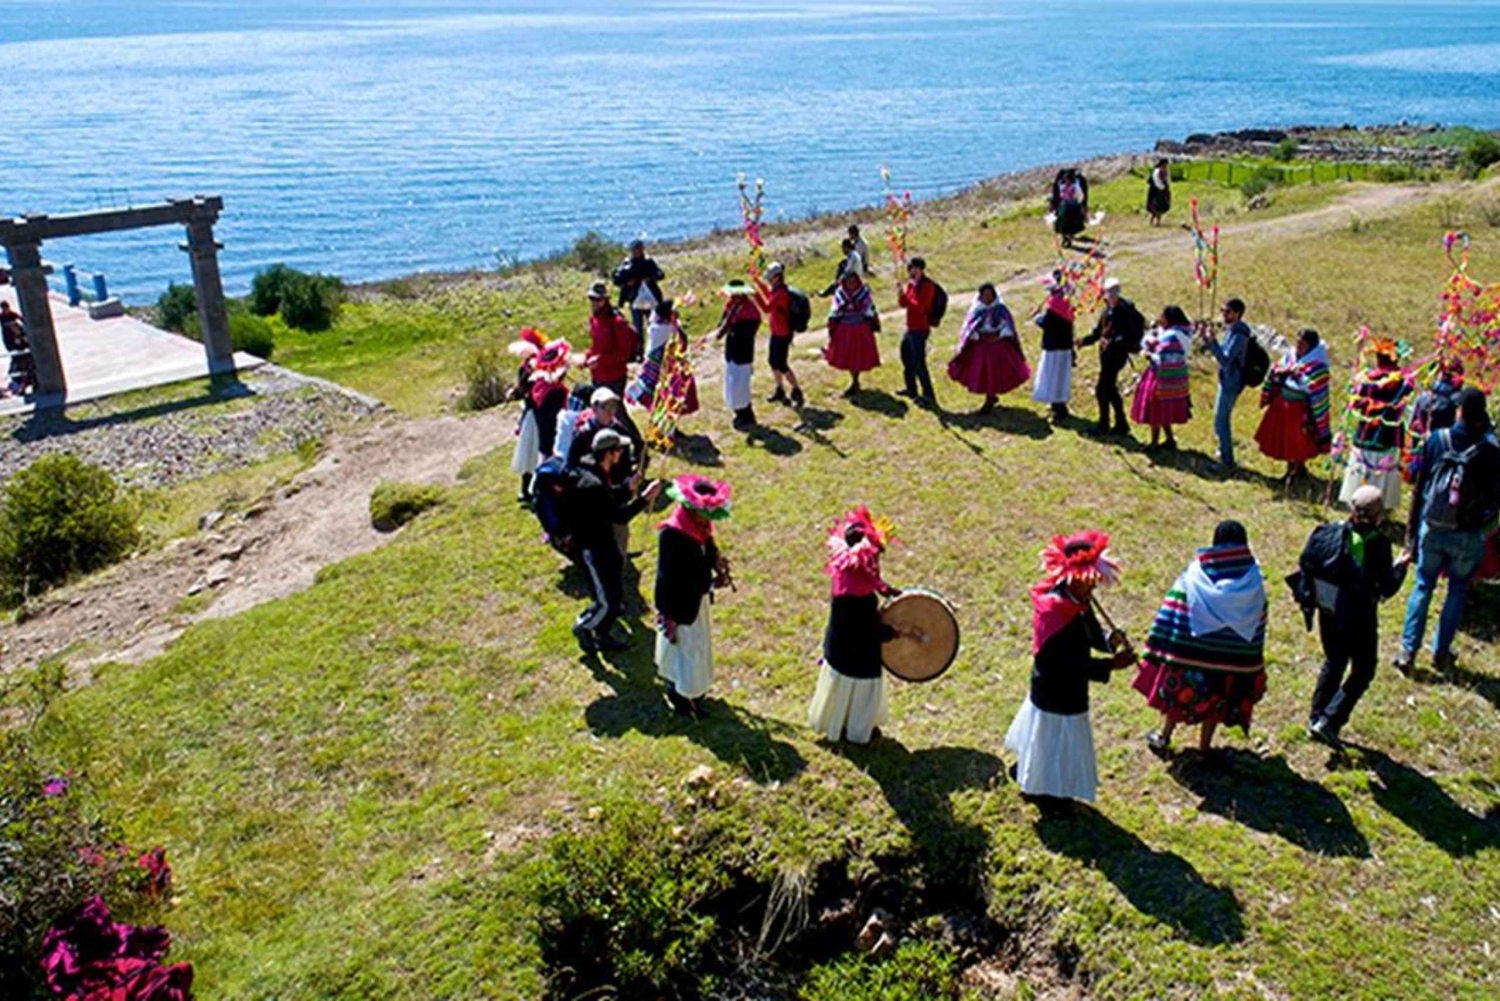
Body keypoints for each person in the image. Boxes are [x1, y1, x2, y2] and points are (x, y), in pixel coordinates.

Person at [1005, 530, 1135, 805]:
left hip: (1062, 688)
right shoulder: (1055, 611)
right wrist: (1112, 664)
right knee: (1053, 744)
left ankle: (1030, 771)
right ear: (1072, 577)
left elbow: (1087, 634)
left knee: (1044, 742)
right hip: (1057, 690)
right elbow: (1069, 664)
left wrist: (1109, 644)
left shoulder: (1076, 601)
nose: (1093, 589)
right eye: (1088, 583)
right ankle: (1045, 792)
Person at [1134, 521, 1267, 754]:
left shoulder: (1195, 574)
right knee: (1218, 702)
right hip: (1230, 660)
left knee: (1178, 696)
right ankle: (1204, 747)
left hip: (1189, 655)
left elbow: (1174, 609)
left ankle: (1164, 736)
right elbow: (1259, 620)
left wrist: (1161, 640)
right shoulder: (1254, 581)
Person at [1395, 388, 1500, 675]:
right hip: (1467, 533)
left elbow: (1419, 487)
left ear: (1459, 411)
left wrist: (1411, 535)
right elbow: (1495, 497)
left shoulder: (1437, 440)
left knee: (1423, 585)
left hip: (1433, 525)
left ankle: (1407, 650)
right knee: (1457, 590)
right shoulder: (1491, 451)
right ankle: (1441, 653)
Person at [1295, 486, 1409, 745]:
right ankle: (1330, 720)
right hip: (1358, 616)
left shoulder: (1325, 533)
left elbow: (1306, 565)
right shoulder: (1378, 544)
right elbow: (1386, 587)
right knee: (1364, 668)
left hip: (1328, 610)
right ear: (1379, 516)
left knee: (1334, 661)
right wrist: (1401, 566)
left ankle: (1315, 717)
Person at [808, 507, 904, 744]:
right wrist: (890, 633)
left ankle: (839, 723)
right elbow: (866, 629)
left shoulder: (847, 575)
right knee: (859, 696)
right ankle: (857, 731)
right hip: (857, 656)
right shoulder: (856, 595)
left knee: (841, 691)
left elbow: (872, 582)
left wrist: (886, 590)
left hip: (840, 649)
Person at [567, 429, 662, 653]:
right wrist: (644, 498)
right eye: (619, 450)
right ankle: (583, 626)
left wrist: (626, 488)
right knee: (606, 602)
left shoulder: (596, 471)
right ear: (609, 453)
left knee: (615, 594)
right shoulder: (592, 483)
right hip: (592, 547)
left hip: (604, 542)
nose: (622, 454)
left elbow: (606, 502)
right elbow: (619, 516)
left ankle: (602, 635)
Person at [655, 475, 734, 717]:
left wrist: (717, 562)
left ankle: (693, 691)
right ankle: (681, 696)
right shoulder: (672, 535)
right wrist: (710, 582)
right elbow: (680, 577)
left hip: (695, 602)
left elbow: (707, 546)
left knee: (697, 648)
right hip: (680, 605)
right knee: (687, 651)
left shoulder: (698, 526)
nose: (708, 520)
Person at [1338, 341, 1414, 514]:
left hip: (1366, 434)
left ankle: (1357, 504)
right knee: (1383, 469)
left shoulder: (1367, 380)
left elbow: (1356, 403)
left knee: (1363, 466)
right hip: (1388, 436)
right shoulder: (1403, 383)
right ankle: (1381, 508)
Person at [1255, 328, 1332, 479]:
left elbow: (1316, 386)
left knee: (1298, 441)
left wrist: (1301, 377)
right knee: (1285, 439)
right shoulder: (1291, 357)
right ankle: (1292, 469)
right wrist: (1283, 371)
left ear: (1311, 346)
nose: (1298, 346)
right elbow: (1277, 368)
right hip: (1283, 405)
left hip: (1300, 409)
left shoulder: (1318, 366)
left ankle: (1297, 470)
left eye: (1302, 344)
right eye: (1297, 342)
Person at [507, 329, 571, 504]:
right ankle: (529, 488)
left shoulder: (535, 366)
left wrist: (516, 391)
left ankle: (532, 489)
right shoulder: (541, 366)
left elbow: (524, 389)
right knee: (533, 452)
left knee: (531, 452)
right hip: (536, 412)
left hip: (536, 413)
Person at [946, 282, 1030, 413]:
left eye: (990, 295)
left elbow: (1007, 326)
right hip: (981, 345)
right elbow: (969, 328)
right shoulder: (976, 311)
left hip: (998, 345)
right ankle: (989, 397)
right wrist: (976, 336)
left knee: (996, 372)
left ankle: (990, 398)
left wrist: (1000, 334)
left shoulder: (1001, 309)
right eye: (985, 295)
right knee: (983, 372)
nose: (987, 298)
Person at [1079, 277, 1145, 436]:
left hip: (1116, 356)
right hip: (1106, 356)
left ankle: (1104, 424)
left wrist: (1113, 342)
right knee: (1111, 389)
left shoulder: (1125, 311)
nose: (1110, 296)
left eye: (1112, 293)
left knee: (1102, 390)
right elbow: (1098, 332)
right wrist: (1084, 341)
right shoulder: (1107, 309)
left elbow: (1127, 335)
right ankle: (1121, 424)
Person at [1198, 298, 1253, 470]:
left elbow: (1225, 359)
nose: (1223, 315)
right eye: (1222, 311)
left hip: (1232, 382)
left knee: (1221, 420)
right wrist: (1207, 340)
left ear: (1237, 314)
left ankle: (1226, 461)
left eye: (1227, 312)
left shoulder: (1239, 335)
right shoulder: (1232, 331)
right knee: (1218, 419)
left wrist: (1213, 342)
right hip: (1227, 379)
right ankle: (1223, 452)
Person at [1130, 305, 1193, 450]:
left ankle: (1154, 443)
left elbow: (1163, 357)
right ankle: (1170, 439)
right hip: (1176, 377)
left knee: (1156, 408)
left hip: (1162, 376)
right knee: (1163, 408)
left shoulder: (1172, 336)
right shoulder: (1183, 333)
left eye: (1163, 316)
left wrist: (1149, 355)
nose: (1160, 319)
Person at [626, 298, 699, 419]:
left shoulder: (658, 327)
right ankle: (663, 425)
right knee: (662, 396)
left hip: (658, 365)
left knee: (660, 397)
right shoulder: (664, 330)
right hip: (661, 367)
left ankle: (663, 423)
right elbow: (681, 341)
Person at [713, 279, 762, 430]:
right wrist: (721, 329)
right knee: (732, 383)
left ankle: (746, 415)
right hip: (731, 350)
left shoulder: (751, 311)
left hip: (743, 351)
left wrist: (732, 328)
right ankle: (738, 411)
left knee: (741, 385)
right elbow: (722, 322)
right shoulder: (730, 305)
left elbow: (747, 332)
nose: (733, 297)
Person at [754, 263, 804, 408]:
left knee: (781, 364)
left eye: (770, 278)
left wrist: (755, 295)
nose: (769, 280)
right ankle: (780, 389)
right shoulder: (777, 290)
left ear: (777, 277)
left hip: (783, 334)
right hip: (777, 332)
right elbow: (768, 293)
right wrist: (757, 281)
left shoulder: (781, 294)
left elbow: (766, 308)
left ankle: (796, 389)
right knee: (773, 361)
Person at [826, 270, 881, 396]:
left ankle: (855, 380)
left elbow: (868, 308)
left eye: (854, 281)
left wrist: (860, 308)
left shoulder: (864, 293)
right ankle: (854, 380)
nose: (851, 284)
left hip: (860, 328)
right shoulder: (840, 293)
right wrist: (841, 310)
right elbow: (835, 309)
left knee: (858, 355)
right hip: (845, 328)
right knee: (848, 356)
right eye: (849, 281)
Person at [895, 257, 938, 405]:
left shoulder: (928, 286)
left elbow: (921, 307)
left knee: (919, 362)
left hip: (920, 328)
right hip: (910, 327)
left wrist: (907, 299)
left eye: (914, 269)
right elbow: (903, 304)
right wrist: (901, 293)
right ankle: (911, 389)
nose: (911, 272)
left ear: (921, 269)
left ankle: (928, 395)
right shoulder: (912, 285)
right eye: (910, 269)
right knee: (906, 358)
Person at [1031, 281, 1076, 421]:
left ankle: (1058, 407)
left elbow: (1046, 323)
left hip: (1053, 348)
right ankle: (1058, 403)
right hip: (1065, 347)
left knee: (1052, 376)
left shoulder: (1054, 307)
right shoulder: (1067, 305)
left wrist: (1036, 316)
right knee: (1060, 377)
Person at [584, 281, 637, 397]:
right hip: (597, 374)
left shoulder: (618, 322)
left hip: (614, 376)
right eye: (592, 298)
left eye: (598, 299)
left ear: (605, 300)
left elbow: (624, 353)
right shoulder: (594, 319)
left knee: (615, 412)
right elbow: (596, 345)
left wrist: (599, 360)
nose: (594, 303)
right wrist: (587, 357)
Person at [611, 239, 665, 350]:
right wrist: (627, 282)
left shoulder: (648, 262)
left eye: (639, 249)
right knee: (638, 328)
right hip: (635, 299)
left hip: (650, 300)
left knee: (653, 326)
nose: (637, 252)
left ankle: (654, 349)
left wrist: (650, 279)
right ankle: (639, 351)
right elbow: (616, 279)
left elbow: (660, 274)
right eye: (635, 249)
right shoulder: (627, 264)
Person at [1, 300, 36, 397]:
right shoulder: (2, 317)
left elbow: (22, 319)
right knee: (17, 360)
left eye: (6, 309)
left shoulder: (13, 315)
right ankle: (19, 383)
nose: (5, 311)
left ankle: (23, 384)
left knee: (24, 363)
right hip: (9, 341)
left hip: (20, 343)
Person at [1049, 168, 1090, 247]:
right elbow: (1059, 195)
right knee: (1063, 222)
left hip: (1072, 205)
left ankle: (1068, 237)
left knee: (1070, 223)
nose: (1066, 181)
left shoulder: (1075, 187)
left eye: (1068, 180)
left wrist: (1077, 202)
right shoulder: (1062, 185)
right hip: (1064, 206)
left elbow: (1080, 196)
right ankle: (1065, 237)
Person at [1146, 158, 1172, 225]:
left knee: (1156, 207)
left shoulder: (1158, 170)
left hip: (1157, 191)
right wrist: (1164, 187)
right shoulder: (1159, 171)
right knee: (1158, 207)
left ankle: (1152, 222)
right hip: (1158, 191)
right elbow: (1162, 181)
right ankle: (1156, 222)